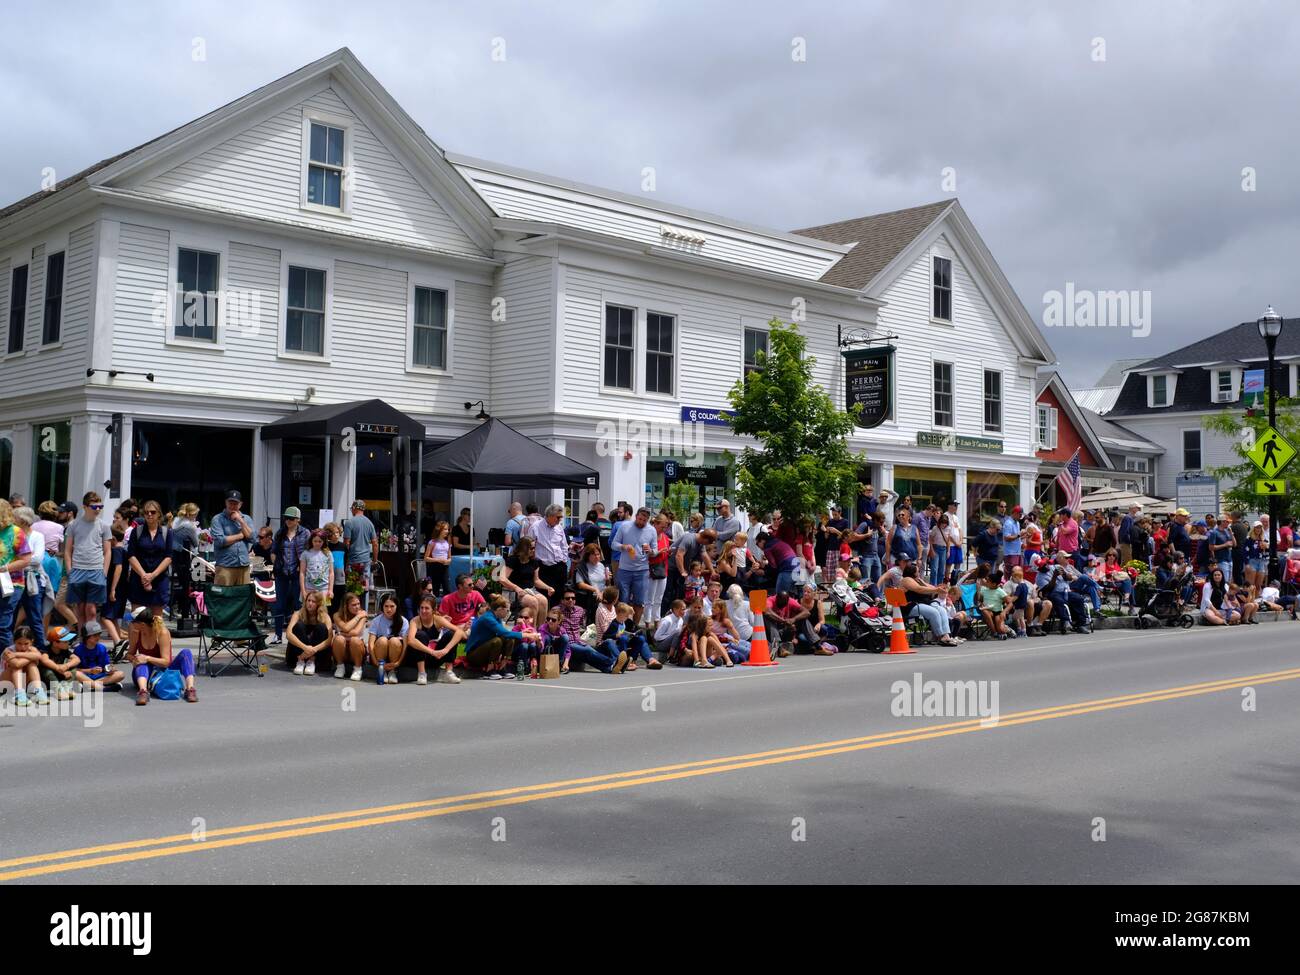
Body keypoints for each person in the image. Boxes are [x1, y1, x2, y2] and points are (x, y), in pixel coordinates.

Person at [128, 607, 197, 705]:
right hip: (144, 674)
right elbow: (129, 654)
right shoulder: (136, 633)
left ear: (142, 625)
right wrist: (135, 659)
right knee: (142, 663)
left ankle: (190, 689)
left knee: (186, 653)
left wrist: (147, 658)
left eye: (133, 622)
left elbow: (166, 662)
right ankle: (143, 692)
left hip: (163, 670)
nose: (130, 624)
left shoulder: (162, 632)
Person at [63, 492, 109, 633]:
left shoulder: (104, 525)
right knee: (80, 608)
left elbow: (108, 551)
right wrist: (70, 570)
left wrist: (104, 572)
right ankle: (82, 638)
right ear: (84, 507)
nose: (98, 509)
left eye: (100, 506)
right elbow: (67, 550)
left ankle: (92, 637)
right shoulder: (73, 525)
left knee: (92, 609)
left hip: (96, 570)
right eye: (94, 507)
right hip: (77, 569)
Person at [126, 500, 172, 618]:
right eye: (146, 512)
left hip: (159, 578)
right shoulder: (136, 531)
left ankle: (155, 638)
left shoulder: (167, 532)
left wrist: (153, 575)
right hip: (139, 578)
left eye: (152, 512)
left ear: (159, 514)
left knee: (157, 619)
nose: (149, 514)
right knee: (138, 617)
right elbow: (131, 555)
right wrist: (144, 575)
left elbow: (168, 557)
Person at [611, 507, 657, 625]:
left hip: (642, 570)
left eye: (644, 520)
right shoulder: (625, 526)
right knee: (623, 600)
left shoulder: (651, 530)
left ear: (648, 520)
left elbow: (655, 551)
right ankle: (621, 626)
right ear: (636, 516)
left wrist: (651, 551)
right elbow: (613, 544)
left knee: (639, 601)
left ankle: (634, 627)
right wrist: (623, 547)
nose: (641, 522)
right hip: (624, 569)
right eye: (640, 519)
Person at [899, 564, 963, 647]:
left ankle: (947, 635)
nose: (919, 572)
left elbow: (933, 589)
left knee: (942, 610)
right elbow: (919, 589)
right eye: (917, 571)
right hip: (911, 606)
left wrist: (924, 583)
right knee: (934, 612)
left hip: (922, 604)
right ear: (912, 572)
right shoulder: (906, 580)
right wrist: (936, 589)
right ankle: (941, 636)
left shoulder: (917, 580)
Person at [270, 506, 307, 646]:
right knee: (279, 605)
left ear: (298, 520)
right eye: (286, 518)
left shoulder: (305, 533)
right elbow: (273, 551)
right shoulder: (280, 533)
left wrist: (302, 566)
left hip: (298, 573)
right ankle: (278, 635)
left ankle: (298, 634)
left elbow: (308, 551)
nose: (288, 521)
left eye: (291, 518)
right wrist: (276, 563)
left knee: (298, 604)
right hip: (282, 572)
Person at [464, 595, 521, 677]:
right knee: (497, 641)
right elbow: (504, 632)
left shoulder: (497, 618)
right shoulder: (488, 618)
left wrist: (505, 657)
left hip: (486, 650)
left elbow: (505, 635)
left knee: (510, 639)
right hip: (474, 655)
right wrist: (525, 634)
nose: (508, 613)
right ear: (500, 609)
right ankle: (490, 669)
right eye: (507, 610)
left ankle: (502, 667)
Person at [501, 536, 553, 623]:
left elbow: (536, 581)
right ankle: (532, 631)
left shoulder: (534, 562)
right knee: (533, 602)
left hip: (531, 590)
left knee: (543, 600)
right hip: (515, 591)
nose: (533, 550)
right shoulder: (513, 560)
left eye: (534, 548)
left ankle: (541, 631)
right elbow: (503, 579)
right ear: (524, 548)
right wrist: (516, 588)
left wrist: (548, 587)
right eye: (531, 548)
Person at [209, 490, 254, 587]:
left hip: (244, 566)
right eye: (230, 502)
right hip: (225, 566)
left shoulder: (246, 519)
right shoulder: (217, 519)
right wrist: (241, 536)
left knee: (242, 598)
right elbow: (220, 541)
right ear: (226, 502)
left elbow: (252, 538)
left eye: (236, 503)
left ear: (240, 504)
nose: (232, 505)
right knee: (224, 598)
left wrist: (241, 521)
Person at [531, 504, 571, 607]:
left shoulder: (559, 528)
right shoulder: (536, 526)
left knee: (559, 596)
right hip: (543, 567)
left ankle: (556, 621)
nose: (560, 520)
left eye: (561, 517)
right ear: (550, 515)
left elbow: (564, 546)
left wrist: (564, 560)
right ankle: (546, 620)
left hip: (558, 566)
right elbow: (529, 545)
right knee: (544, 596)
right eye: (558, 517)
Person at [599, 601, 656, 671]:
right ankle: (623, 660)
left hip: (626, 642)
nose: (627, 617)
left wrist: (634, 634)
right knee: (623, 638)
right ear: (619, 614)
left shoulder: (625, 622)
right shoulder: (614, 624)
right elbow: (605, 636)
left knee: (640, 639)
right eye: (625, 616)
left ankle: (632, 659)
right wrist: (615, 636)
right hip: (617, 645)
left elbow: (632, 627)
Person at [287, 590, 333, 676]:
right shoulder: (298, 614)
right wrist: (305, 648)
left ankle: (311, 661)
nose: (310, 603)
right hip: (298, 653)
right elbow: (288, 634)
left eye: (313, 601)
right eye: (308, 600)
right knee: (298, 626)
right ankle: (300, 661)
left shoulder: (325, 616)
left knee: (321, 627)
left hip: (318, 654)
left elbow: (330, 639)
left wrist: (313, 650)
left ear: (318, 604)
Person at [331, 592, 369, 680]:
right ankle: (340, 667)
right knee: (338, 639)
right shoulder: (337, 615)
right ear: (346, 606)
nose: (357, 607)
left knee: (355, 640)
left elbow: (356, 632)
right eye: (353, 605)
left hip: (357, 650)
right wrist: (358, 617)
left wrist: (342, 632)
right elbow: (346, 627)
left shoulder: (363, 614)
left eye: (358, 604)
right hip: (342, 650)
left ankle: (357, 669)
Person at [342, 500, 377, 590]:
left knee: (352, 589)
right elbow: (375, 543)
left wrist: (345, 560)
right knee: (364, 589)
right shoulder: (370, 523)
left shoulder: (349, 523)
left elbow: (346, 543)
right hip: (366, 561)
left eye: (351, 509)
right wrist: (374, 560)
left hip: (353, 560)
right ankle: (364, 604)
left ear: (354, 508)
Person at [645, 513, 672, 626]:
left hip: (662, 569)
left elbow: (665, 551)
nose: (664, 529)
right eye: (662, 527)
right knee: (649, 598)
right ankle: (647, 622)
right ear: (655, 524)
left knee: (659, 598)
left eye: (665, 527)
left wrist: (668, 552)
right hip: (652, 570)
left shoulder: (665, 537)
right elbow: (647, 554)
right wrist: (660, 552)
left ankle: (656, 621)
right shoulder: (649, 536)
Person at [299, 529, 334, 609]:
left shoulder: (328, 554)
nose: (317, 543)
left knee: (322, 611)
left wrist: (330, 590)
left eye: (320, 541)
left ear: (323, 541)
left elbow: (331, 573)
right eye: (315, 541)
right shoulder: (306, 553)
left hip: (324, 588)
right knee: (308, 611)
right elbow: (302, 573)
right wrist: (303, 591)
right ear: (311, 541)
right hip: (309, 588)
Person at [978, 571, 1013, 639]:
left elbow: (1010, 603)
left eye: (988, 581)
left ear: (994, 584)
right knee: (985, 611)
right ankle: (994, 632)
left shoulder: (1000, 591)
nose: (985, 582)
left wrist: (1004, 612)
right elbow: (980, 600)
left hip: (998, 613)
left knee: (1001, 629)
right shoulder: (984, 589)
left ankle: (1008, 630)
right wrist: (980, 603)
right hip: (988, 611)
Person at [423, 521, 452, 596]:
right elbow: (426, 558)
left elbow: (449, 557)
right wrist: (438, 560)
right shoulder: (432, 542)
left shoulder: (447, 542)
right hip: (435, 567)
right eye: (445, 529)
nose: (447, 531)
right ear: (440, 530)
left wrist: (448, 561)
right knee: (435, 589)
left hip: (445, 567)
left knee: (447, 589)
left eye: (448, 529)